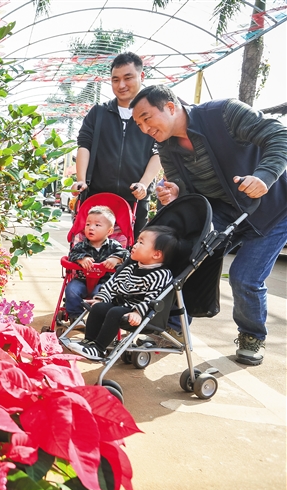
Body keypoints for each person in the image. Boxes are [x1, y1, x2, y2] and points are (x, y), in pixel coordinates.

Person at [130, 85, 287, 366]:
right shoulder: (166, 147)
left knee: (244, 278)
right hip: (224, 210)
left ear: (169, 106)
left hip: (272, 208)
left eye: (146, 118)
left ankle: (252, 335)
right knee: (187, 257)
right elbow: (181, 185)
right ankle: (172, 328)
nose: (144, 128)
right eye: (139, 124)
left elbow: (279, 134)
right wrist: (175, 192)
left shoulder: (224, 113)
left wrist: (264, 176)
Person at [74, 52, 162, 232]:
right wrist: (81, 181)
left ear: (141, 76)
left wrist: (144, 184)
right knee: (90, 254)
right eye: (115, 80)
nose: (121, 85)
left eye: (128, 78)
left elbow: (158, 151)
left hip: (134, 201)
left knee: (131, 254)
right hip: (96, 199)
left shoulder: (152, 115)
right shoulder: (98, 113)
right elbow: (84, 145)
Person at [68, 225, 178, 359]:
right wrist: (101, 298)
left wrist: (138, 312)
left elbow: (154, 297)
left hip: (141, 313)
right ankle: (88, 342)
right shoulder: (130, 268)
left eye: (141, 243)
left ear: (156, 254)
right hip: (121, 305)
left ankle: (99, 349)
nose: (135, 245)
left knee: (115, 312)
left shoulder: (161, 275)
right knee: (99, 307)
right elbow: (112, 285)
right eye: (137, 241)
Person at [64, 206, 129, 319]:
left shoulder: (114, 245)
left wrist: (116, 258)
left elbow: (126, 254)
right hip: (82, 280)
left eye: (97, 225)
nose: (91, 228)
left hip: (104, 282)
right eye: (88, 224)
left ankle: (98, 318)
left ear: (109, 231)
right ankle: (75, 316)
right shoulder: (81, 245)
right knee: (71, 290)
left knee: (102, 295)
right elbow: (72, 255)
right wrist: (81, 258)